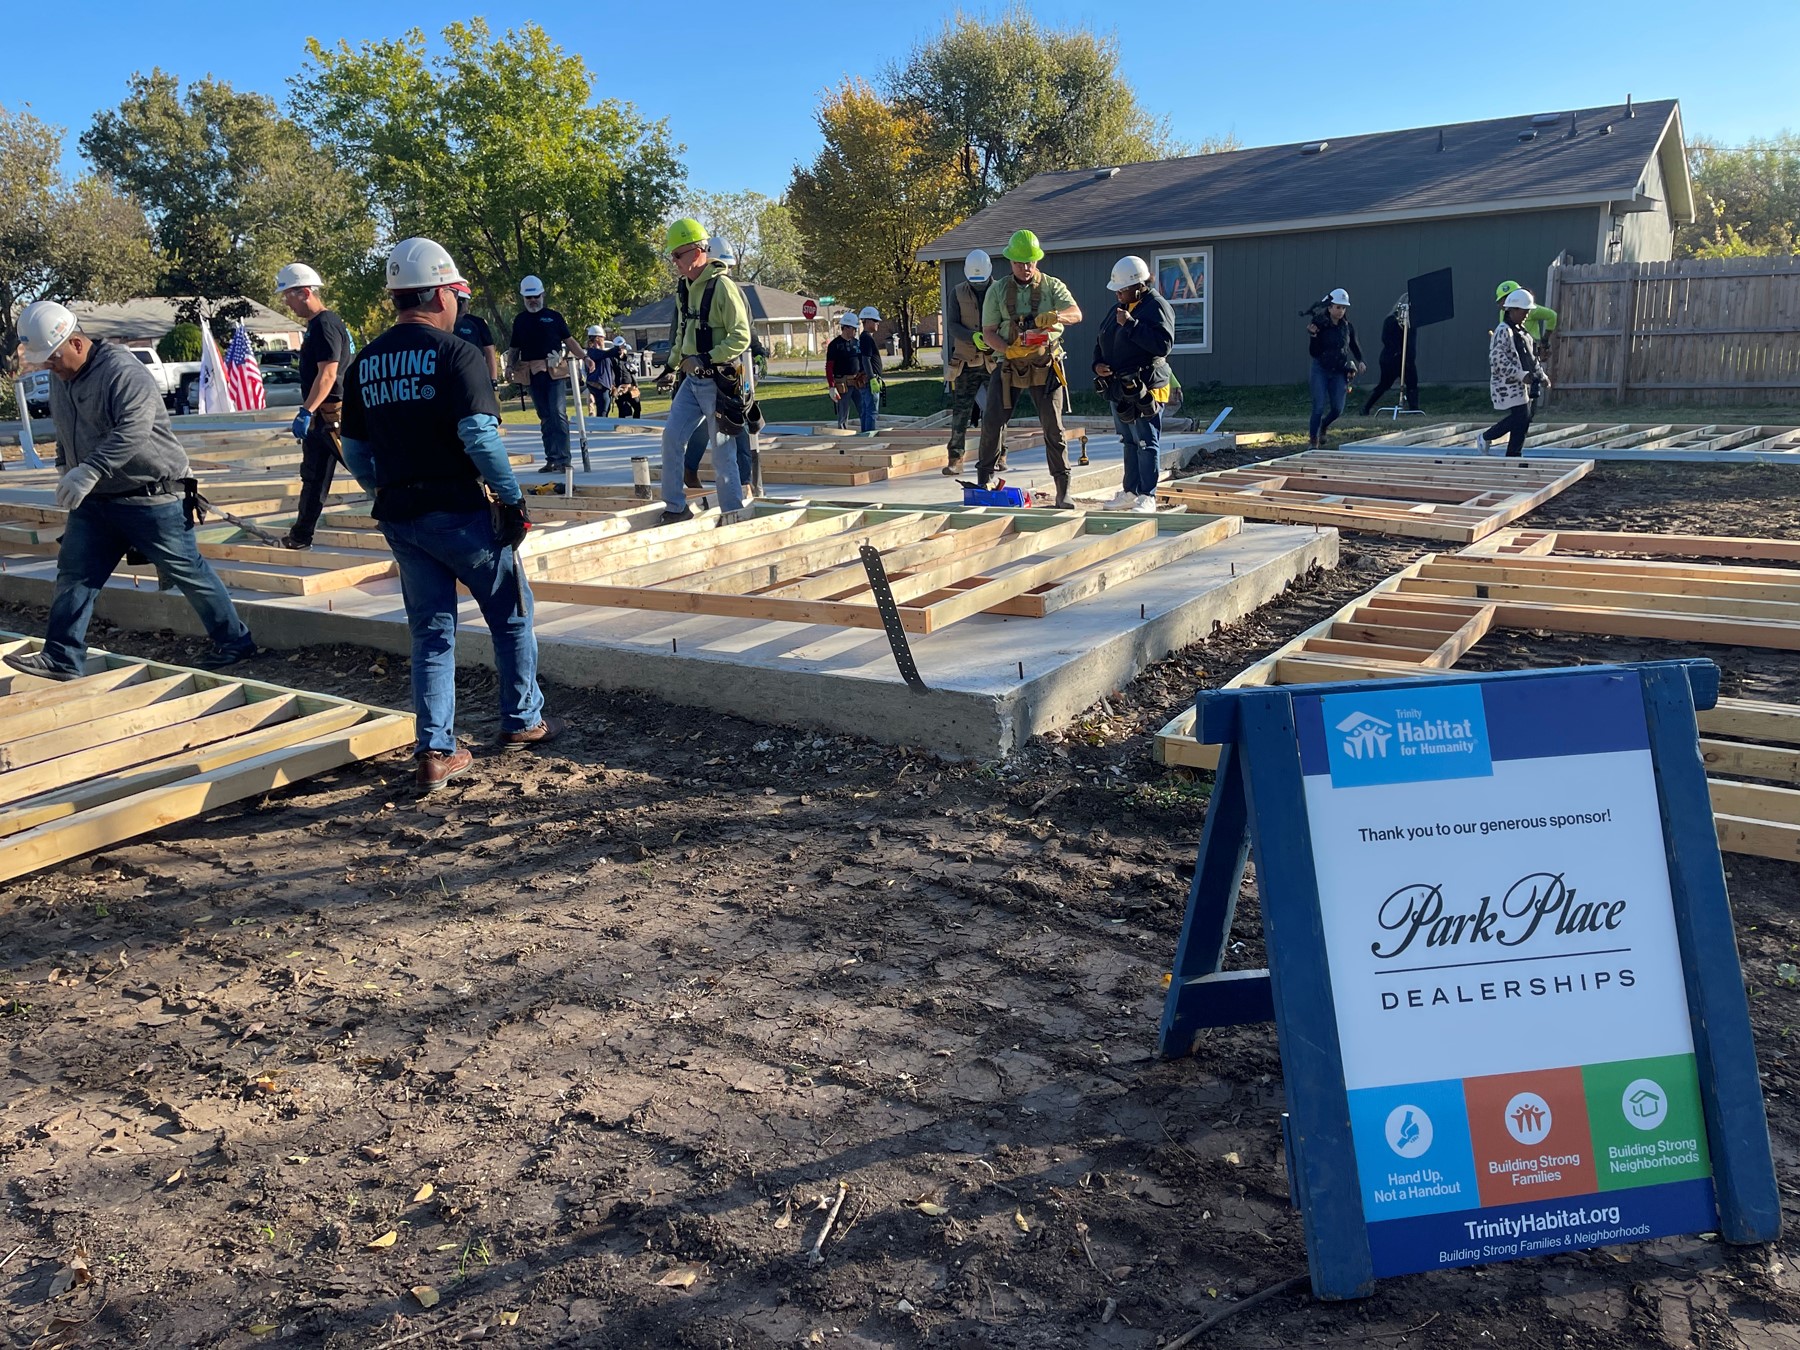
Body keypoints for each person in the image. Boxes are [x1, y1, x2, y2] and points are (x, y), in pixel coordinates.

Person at [337, 238, 562, 792]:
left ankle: (435, 749)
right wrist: (512, 500)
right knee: (510, 613)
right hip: (458, 510)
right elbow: (479, 436)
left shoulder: (365, 362)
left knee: (432, 631)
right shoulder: (455, 353)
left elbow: (356, 450)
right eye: (456, 294)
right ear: (440, 293)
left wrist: (384, 490)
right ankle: (522, 720)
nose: (459, 303)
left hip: (400, 515)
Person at [4, 301, 257, 680]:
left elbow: (132, 431)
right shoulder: (62, 376)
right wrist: (64, 463)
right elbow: (65, 426)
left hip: (150, 497)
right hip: (97, 501)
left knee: (188, 572)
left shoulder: (121, 371)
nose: (49, 366)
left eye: (53, 358)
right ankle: (62, 656)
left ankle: (236, 642)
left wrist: (89, 469)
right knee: (75, 573)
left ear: (76, 343)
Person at [977, 229, 1083, 507]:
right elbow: (988, 331)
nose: (1025, 268)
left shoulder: (1052, 286)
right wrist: (1006, 349)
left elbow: (1077, 313)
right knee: (992, 422)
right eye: (1019, 262)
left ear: (1037, 261)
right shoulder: (997, 291)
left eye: (1030, 262)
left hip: (1045, 364)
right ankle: (983, 480)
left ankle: (1063, 489)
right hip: (1009, 364)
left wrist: (1057, 315)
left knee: (1054, 428)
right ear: (1010, 262)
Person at [657, 219, 752, 522]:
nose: (674, 262)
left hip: (720, 382)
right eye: (672, 256)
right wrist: (671, 366)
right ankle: (675, 507)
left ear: (699, 251)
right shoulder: (684, 288)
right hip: (692, 382)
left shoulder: (722, 287)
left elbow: (741, 336)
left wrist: (707, 359)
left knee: (723, 455)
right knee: (671, 438)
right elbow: (682, 335)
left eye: (678, 255)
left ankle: (733, 513)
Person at [274, 262, 352, 550]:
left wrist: (306, 411)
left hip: (335, 416)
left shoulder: (326, 325)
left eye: (289, 296)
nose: (286, 302)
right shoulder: (316, 327)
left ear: (305, 292)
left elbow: (329, 373)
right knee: (313, 478)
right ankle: (300, 536)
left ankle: (401, 524)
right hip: (323, 416)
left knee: (367, 471)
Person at [1093, 255, 1175, 512]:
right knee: (1128, 440)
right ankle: (1130, 491)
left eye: (1122, 289)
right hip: (1119, 387)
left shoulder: (1156, 306)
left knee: (1146, 441)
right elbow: (1101, 340)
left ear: (1139, 285)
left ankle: (1147, 495)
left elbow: (1163, 345)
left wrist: (1132, 325)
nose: (1118, 293)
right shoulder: (1119, 309)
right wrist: (1097, 365)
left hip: (1146, 385)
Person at [682, 238, 758, 493]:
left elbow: (747, 329)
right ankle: (742, 481)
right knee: (728, 426)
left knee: (737, 424)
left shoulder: (730, 290)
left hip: (733, 367)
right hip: (708, 369)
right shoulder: (690, 291)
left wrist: (757, 353)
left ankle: (745, 481)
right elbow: (681, 330)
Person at [505, 275, 590, 473]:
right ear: (523, 299)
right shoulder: (520, 320)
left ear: (542, 294)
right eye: (528, 298)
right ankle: (552, 459)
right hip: (533, 374)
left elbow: (569, 341)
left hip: (554, 373)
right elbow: (514, 348)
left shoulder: (554, 317)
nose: (533, 301)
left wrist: (585, 357)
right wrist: (509, 366)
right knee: (545, 416)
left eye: (535, 296)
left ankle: (563, 459)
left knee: (558, 413)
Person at [943, 248, 999, 476]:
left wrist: (993, 339)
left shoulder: (999, 290)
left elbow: (1006, 320)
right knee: (961, 413)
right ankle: (955, 459)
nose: (978, 285)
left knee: (996, 411)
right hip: (966, 361)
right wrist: (972, 337)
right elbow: (953, 324)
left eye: (981, 281)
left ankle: (999, 454)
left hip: (993, 360)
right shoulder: (957, 292)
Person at [1478, 288, 1551, 457]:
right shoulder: (1503, 331)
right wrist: (1519, 374)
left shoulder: (1523, 332)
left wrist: (1542, 377)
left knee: (1526, 418)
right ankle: (1487, 437)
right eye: (1524, 311)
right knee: (1521, 416)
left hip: (1526, 384)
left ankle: (1514, 454)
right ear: (1513, 310)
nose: (1527, 314)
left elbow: (1532, 358)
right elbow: (1497, 359)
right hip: (1509, 385)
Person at [1306, 288, 1363, 448]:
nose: (1341, 311)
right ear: (1330, 307)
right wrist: (1314, 336)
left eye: (1343, 308)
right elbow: (1314, 352)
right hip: (1321, 369)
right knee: (1318, 406)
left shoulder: (1347, 327)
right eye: (1338, 307)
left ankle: (1324, 425)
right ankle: (1313, 439)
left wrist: (1360, 360)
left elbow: (1354, 345)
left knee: (1338, 408)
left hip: (1339, 371)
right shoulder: (1320, 324)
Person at [1360, 295, 1419, 415]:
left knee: (1412, 383)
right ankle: (1365, 408)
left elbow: (1411, 342)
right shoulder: (1391, 320)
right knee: (1384, 384)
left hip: (1407, 360)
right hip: (1391, 359)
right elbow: (1386, 339)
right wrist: (1397, 352)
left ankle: (1414, 410)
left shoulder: (1412, 324)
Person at [450, 281, 500, 383]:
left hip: (475, 373)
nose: (465, 303)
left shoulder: (478, 323)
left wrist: (493, 380)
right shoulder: (443, 322)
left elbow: (489, 352)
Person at [825, 313, 863, 430]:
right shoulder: (835, 345)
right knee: (843, 412)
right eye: (853, 328)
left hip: (857, 382)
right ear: (846, 328)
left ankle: (866, 430)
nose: (855, 331)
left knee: (863, 408)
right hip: (843, 383)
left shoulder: (856, 343)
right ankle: (842, 433)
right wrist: (832, 386)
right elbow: (829, 367)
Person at [855, 307, 884, 433]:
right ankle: (869, 436)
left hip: (866, 379)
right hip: (869, 380)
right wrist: (872, 378)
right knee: (871, 411)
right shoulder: (866, 338)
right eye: (875, 320)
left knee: (866, 410)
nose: (878, 323)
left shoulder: (864, 338)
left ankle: (865, 435)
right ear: (866, 321)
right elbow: (865, 360)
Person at [584, 325, 616, 417]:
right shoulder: (593, 352)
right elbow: (606, 354)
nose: (604, 340)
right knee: (603, 409)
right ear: (598, 338)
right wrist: (617, 349)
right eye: (603, 337)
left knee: (606, 407)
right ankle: (600, 428)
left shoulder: (600, 352)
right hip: (599, 384)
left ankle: (601, 425)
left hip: (605, 385)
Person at [610, 338, 642, 418]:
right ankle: (622, 428)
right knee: (624, 410)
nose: (621, 349)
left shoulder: (628, 358)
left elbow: (634, 371)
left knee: (637, 407)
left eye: (622, 347)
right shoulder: (612, 360)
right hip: (619, 388)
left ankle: (636, 425)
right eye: (619, 347)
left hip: (631, 387)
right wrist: (614, 388)